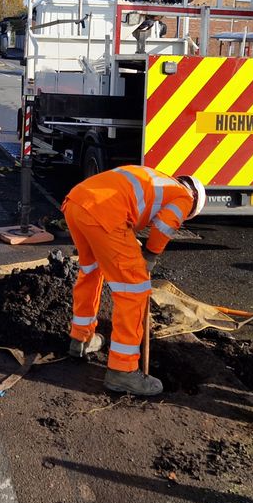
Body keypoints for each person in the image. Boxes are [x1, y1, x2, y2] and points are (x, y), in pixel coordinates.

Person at [64, 166, 207, 396]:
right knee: (135, 289)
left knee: (91, 271)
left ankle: (81, 340)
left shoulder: (159, 180)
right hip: (104, 214)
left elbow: (129, 204)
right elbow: (166, 224)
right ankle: (123, 370)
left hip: (76, 202)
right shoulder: (184, 196)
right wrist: (150, 255)